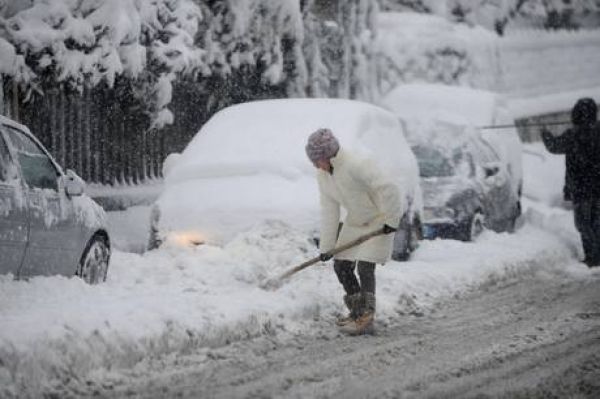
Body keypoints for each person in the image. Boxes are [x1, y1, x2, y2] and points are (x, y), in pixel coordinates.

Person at [305, 128, 402, 335]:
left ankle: (367, 317)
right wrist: (327, 247)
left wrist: (392, 220)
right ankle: (357, 311)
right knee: (341, 265)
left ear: (329, 155)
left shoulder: (356, 164)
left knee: (365, 266)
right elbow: (329, 211)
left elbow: (389, 188)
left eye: (317, 160)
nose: (315, 165)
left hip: (379, 221)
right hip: (356, 222)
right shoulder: (324, 176)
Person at [541, 97, 600, 267]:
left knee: (584, 224)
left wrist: (545, 133)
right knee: (597, 222)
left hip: (581, 188)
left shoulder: (572, 135)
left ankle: (592, 258)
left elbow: (553, 146)